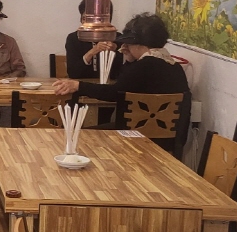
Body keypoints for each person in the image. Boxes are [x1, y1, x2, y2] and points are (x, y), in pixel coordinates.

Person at [52, 13, 190, 151]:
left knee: (80, 135)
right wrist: (129, 59)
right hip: (168, 140)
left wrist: (78, 86)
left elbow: (114, 93)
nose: (126, 46)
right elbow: (125, 84)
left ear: (138, 44)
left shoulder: (143, 66)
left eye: (129, 44)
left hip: (132, 135)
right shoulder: (175, 66)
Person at [65, 0, 124, 80]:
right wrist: (92, 52)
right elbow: (73, 73)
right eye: (84, 18)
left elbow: (122, 73)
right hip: (81, 85)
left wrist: (115, 50)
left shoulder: (117, 38)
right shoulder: (74, 38)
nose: (88, 23)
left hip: (111, 85)